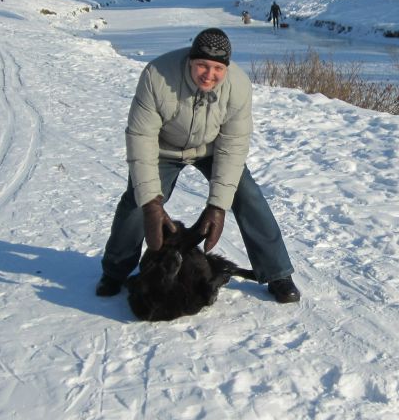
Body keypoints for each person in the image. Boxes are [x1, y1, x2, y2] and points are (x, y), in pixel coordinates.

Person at [96, 27, 301, 304]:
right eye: (202, 65)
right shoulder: (157, 76)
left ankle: (278, 273)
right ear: (190, 61)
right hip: (163, 150)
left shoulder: (238, 86)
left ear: (226, 68)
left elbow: (233, 145)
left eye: (218, 68)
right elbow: (141, 138)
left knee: (247, 193)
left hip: (210, 149)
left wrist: (217, 206)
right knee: (137, 201)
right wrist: (152, 204)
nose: (209, 74)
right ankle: (115, 270)